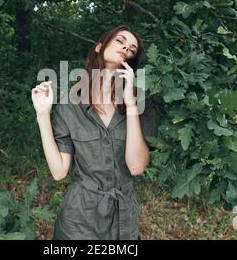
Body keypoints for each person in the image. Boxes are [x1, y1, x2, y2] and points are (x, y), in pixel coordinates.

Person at [31, 25, 156, 240]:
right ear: (99, 47)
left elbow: (136, 167)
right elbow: (59, 172)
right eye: (120, 41)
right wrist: (42, 115)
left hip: (123, 223)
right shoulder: (70, 105)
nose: (126, 47)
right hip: (78, 222)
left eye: (132, 49)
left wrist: (131, 104)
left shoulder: (141, 102)